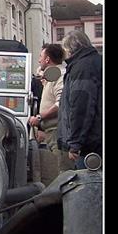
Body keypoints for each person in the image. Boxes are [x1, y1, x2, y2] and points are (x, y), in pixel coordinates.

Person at [57, 30, 102, 170]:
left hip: (90, 145)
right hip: (95, 139)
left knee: (88, 186)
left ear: (70, 49)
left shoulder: (82, 68)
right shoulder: (95, 62)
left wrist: (75, 144)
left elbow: (81, 107)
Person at [28, 44, 71, 172]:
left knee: (61, 171)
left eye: (41, 56)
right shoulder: (54, 75)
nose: (39, 60)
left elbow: (60, 104)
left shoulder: (60, 76)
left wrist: (40, 117)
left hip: (57, 131)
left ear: (47, 59)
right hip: (52, 131)